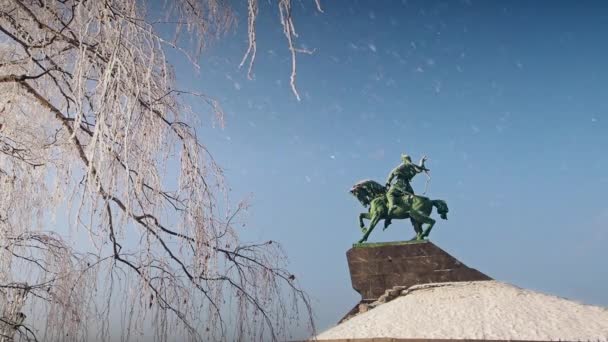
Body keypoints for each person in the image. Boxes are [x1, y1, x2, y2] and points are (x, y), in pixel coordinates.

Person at [384, 154, 428, 226]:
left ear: (403, 159)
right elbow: (420, 169)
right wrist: (422, 161)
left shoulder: (403, 165)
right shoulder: (412, 166)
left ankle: (391, 206)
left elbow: (393, 173)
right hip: (408, 187)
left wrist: (388, 182)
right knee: (412, 198)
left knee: (389, 193)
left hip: (400, 184)